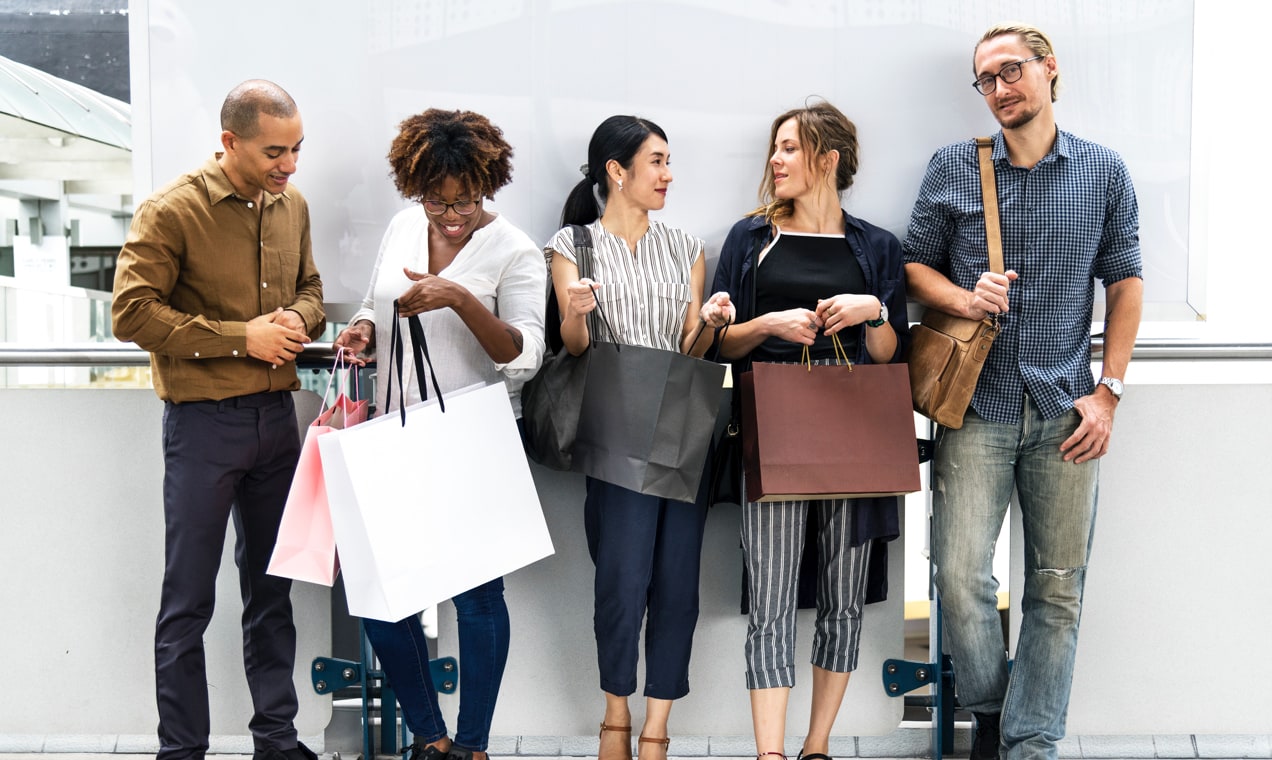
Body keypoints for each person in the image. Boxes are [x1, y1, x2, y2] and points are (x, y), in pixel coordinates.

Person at [902, 23, 1144, 760]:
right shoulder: (953, 167)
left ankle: (1030, 741)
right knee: (961, 576)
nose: (999, 89)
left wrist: (1110, 392)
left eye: (1011, 72)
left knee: (1058, 585)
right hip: (975, 406)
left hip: (1068, 408)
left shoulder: (1103, 171)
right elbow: (912, 268)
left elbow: (1126, 284)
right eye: (986, 80)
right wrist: (965, 298)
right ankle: (990, 712)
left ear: (1048, 70)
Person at [111, 80, 324, 760]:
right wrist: (242, 338)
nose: (288, 165)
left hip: (275, 423)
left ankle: (278, 741)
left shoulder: (292, 206)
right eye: (273, 152)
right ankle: (181, 752)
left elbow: (313, 290)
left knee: (271, 596)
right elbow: (131, 313)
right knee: (188, 602)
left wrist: (298, 318)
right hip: (202, 429)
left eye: (295, 149)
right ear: (230, 142)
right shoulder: (172, 212)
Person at [332, 108, 546, 760]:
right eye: (436, 201)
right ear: (414, 189)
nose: (451, 215)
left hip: (474, 443)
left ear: (488, 185)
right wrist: (364, 328)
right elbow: (377, 303)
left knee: (477, 600)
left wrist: (459, 298)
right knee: (378, 601)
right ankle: (432, 736)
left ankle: (472, 746)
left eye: (466, 201)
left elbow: (525, 355)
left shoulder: (515, 250)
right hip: (396, 436)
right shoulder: (403, 226)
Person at [707, 101, 908, 760]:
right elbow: (719, 347)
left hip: (855, 438)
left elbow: (887, 357)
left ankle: (816, 747)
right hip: (774, 432)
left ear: (829, 159)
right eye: (775, 147)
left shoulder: (876, 247)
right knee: (769, 598)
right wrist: (768, 325)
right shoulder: (750, 238)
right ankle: (770, 754)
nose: (776, 160)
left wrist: (871, 308)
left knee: (843, 600)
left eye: (791, 148)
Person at [545, 115, 731, 760]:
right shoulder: (571, 245)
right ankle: (614, 717)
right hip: (614, 421)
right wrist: (574, 310)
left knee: (677, 579)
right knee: (621, 577)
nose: (668, 175)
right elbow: (574, 348)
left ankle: (658, 727)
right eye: (656, 162)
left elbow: (691, 349)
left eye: (669, 161)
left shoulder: (687, 246)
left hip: (682, 422)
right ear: (616, 172)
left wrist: (712, 321)